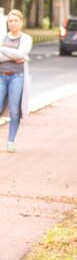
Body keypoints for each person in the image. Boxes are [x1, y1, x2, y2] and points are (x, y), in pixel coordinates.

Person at [0, 9, 32, 153]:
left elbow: (21, 53)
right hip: (1, 76)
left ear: (21, 22)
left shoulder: (26, 38)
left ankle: (11, 141)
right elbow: (17, 56)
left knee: (14, 110)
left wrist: (3, 50)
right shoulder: (2, 37)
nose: (13, 23)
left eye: (16, 21)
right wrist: (15, 56)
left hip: (17, 77)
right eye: (10, 21)